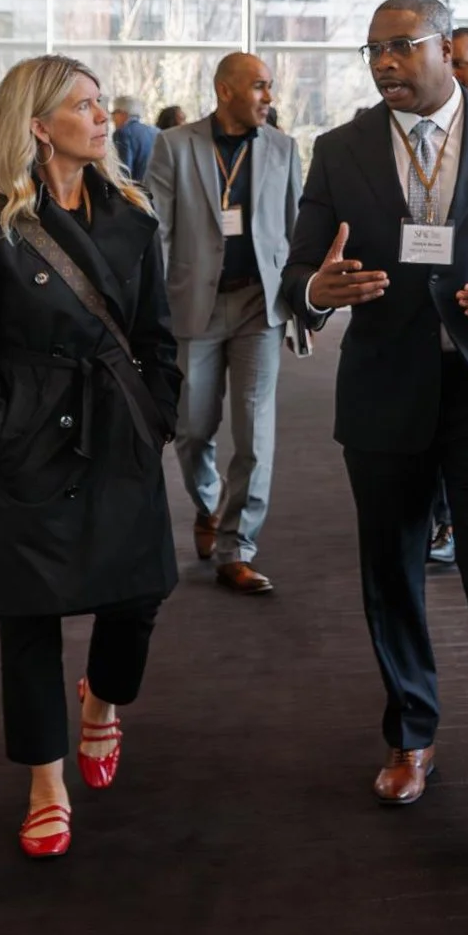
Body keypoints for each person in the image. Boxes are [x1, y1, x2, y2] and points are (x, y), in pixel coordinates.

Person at [282, 0, 468, 847]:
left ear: (448, 47)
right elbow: (300, 269)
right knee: (392, 575)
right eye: (373, 51)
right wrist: (315, 295)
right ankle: (411, 735)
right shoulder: (339, 149)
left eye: (401, 47)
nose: (384, 64)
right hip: (384, 393)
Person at [0, 55, 184, 859]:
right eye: (82, 105)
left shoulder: (135, 214)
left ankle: (104, 704)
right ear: (39, 125)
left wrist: (159, 416)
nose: (102, 115)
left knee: (137, 596)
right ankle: (46, 782)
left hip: (117, 432)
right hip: (26, 445)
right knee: (28, 618)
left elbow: (155, 336)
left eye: (102, 102)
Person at [144, 51, 299, 594]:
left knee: (255, 432)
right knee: (192, 428)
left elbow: (294, 230)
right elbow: (157, 231)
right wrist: (155, 309)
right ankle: (208, 507)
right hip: (195, 307)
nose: (269, 97)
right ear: (226, 89)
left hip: (260, 305)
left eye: (270, 87)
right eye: (259, 86)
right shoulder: (176, 145)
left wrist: (302, 300)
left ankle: (238, 546)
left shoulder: (282, 148)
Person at [110, 94, 157, 179]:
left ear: (123, 113)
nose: (112, 118)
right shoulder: (155, 131)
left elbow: (123, 172)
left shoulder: (122, 133)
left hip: (136, 190)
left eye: (114, 113)